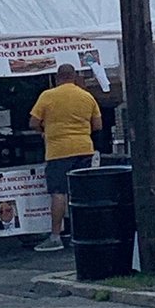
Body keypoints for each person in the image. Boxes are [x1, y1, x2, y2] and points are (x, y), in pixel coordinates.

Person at [29, 64, 102, 252]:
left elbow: (33, 122)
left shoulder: (48, 96)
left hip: (58, 151)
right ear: (75, 77)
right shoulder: (87, 96)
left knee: (58, 192)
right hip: (84, 148)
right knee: (82, 194)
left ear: (57, 77)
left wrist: (44, 131)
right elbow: (98, 125)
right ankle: (85, 233)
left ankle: (55, 237)